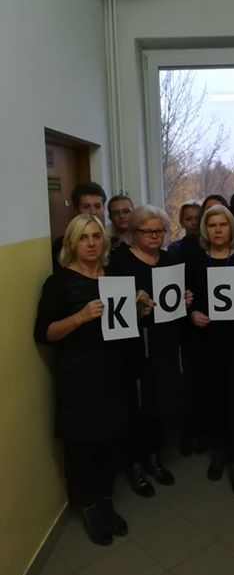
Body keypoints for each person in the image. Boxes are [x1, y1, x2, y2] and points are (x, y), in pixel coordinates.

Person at [34, 214, 129, 546]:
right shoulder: (58, 283)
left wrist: (139, 307)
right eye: (84, 237)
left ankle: (106, 502)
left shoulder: (112, 277)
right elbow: (44, 333)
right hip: (79, 377)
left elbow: (121, 323)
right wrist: (79, 317)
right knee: (83, 446)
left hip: (112, 372)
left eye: (96, 236)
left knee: (110, 441)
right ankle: (90, 509)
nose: (91, 243)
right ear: (71, 244)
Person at [108, 205, 193, 497]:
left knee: (159, 402)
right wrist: (134, 306)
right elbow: (113, 309)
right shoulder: (120, 262)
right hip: (133, 345)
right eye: (148, 231)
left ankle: (154, 458)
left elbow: (177, 301)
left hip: (165, 343)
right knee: (136, 407)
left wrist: (185, 299)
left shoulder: (171, 260)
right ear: (134, 233)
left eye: (160, 231)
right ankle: (134, 464)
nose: (155, 236)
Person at [185, 205, 234, 495]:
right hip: (206, 343)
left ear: (231, 228)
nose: (217, 230)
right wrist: (192, 314)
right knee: (213, 400)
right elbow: (187, 298)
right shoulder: (195, 260)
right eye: (212, 224)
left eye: (223, 224)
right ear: (205, 229)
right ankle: (218, 451)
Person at [52, 181, 108, 270]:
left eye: (97, 206)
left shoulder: (115, 245)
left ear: (104, 208)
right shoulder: (61, 246)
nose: (93, 212)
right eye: (86, 207)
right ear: (76, 210)